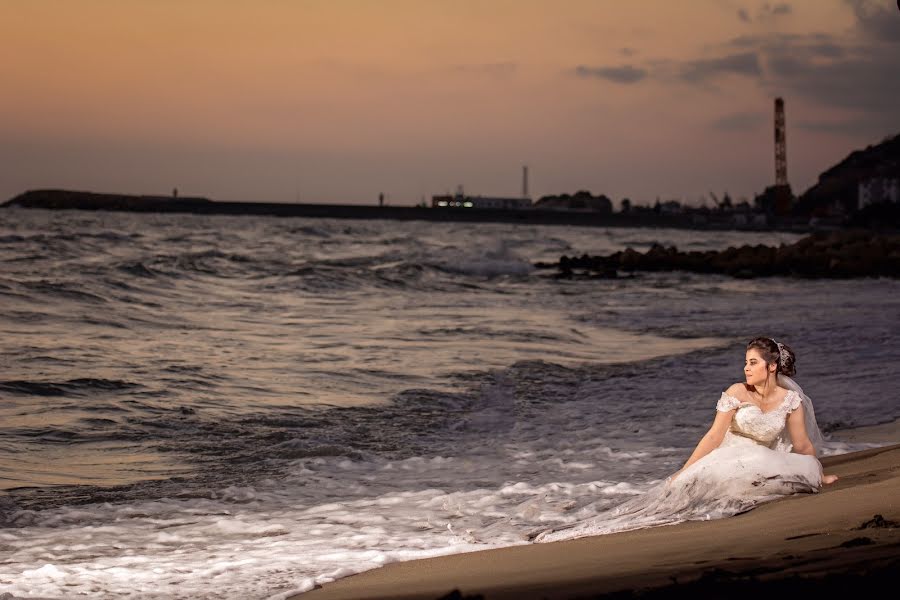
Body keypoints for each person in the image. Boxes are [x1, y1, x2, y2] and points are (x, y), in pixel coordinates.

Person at [532, 337, 838, 543]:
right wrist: (685, 470)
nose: (746, 367)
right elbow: (714, 436)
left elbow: (802, 444)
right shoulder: (736, 392)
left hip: (762, 462)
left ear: (772, 366)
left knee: (783, 475)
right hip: (729, 458)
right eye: (745, 362)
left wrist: (819, 472)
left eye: (753, 362)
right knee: (678, 502)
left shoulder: (790, 400)